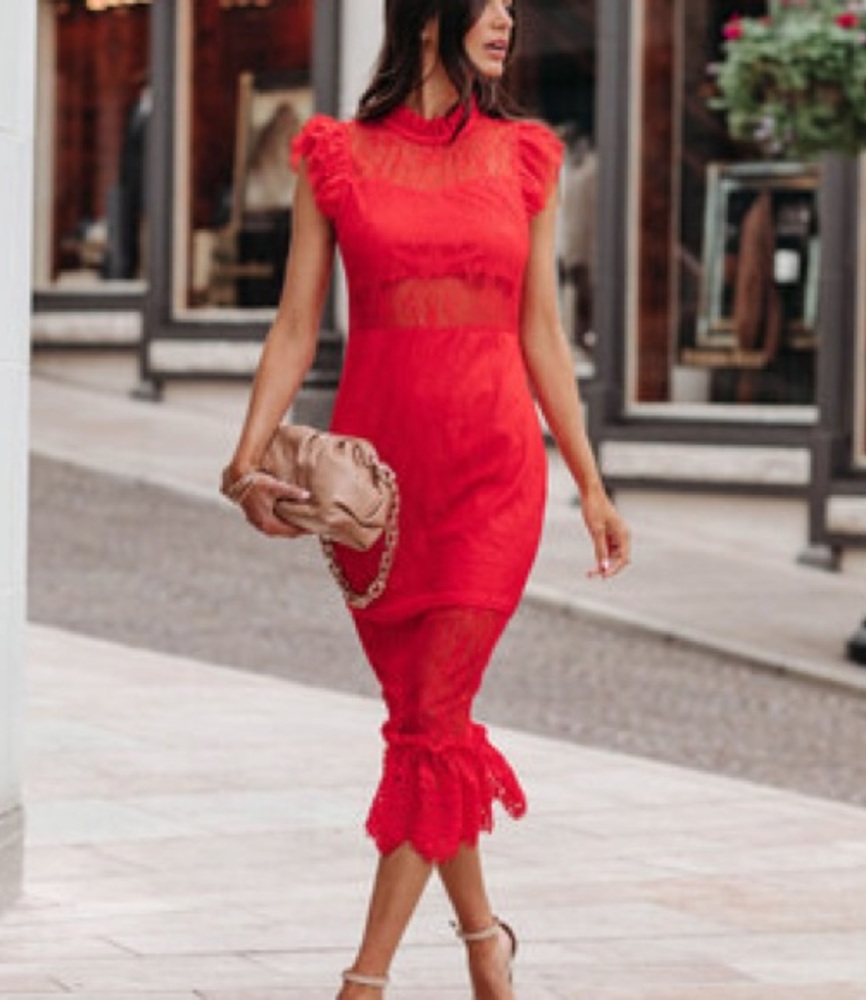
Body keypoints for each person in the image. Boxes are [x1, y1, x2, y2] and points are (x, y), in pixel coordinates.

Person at [220, 2, 630, 996]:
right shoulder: (335, 154)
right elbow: (294, 327)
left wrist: (588, 479)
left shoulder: (524, 155)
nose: (505, 20)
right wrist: (243, 465)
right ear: (426, 12)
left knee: (432, 712)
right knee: (425, 721)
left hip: (494, 474)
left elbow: (541, 333)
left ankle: (364, 981)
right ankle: (488, 945)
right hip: (379, 491)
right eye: (485, 2)